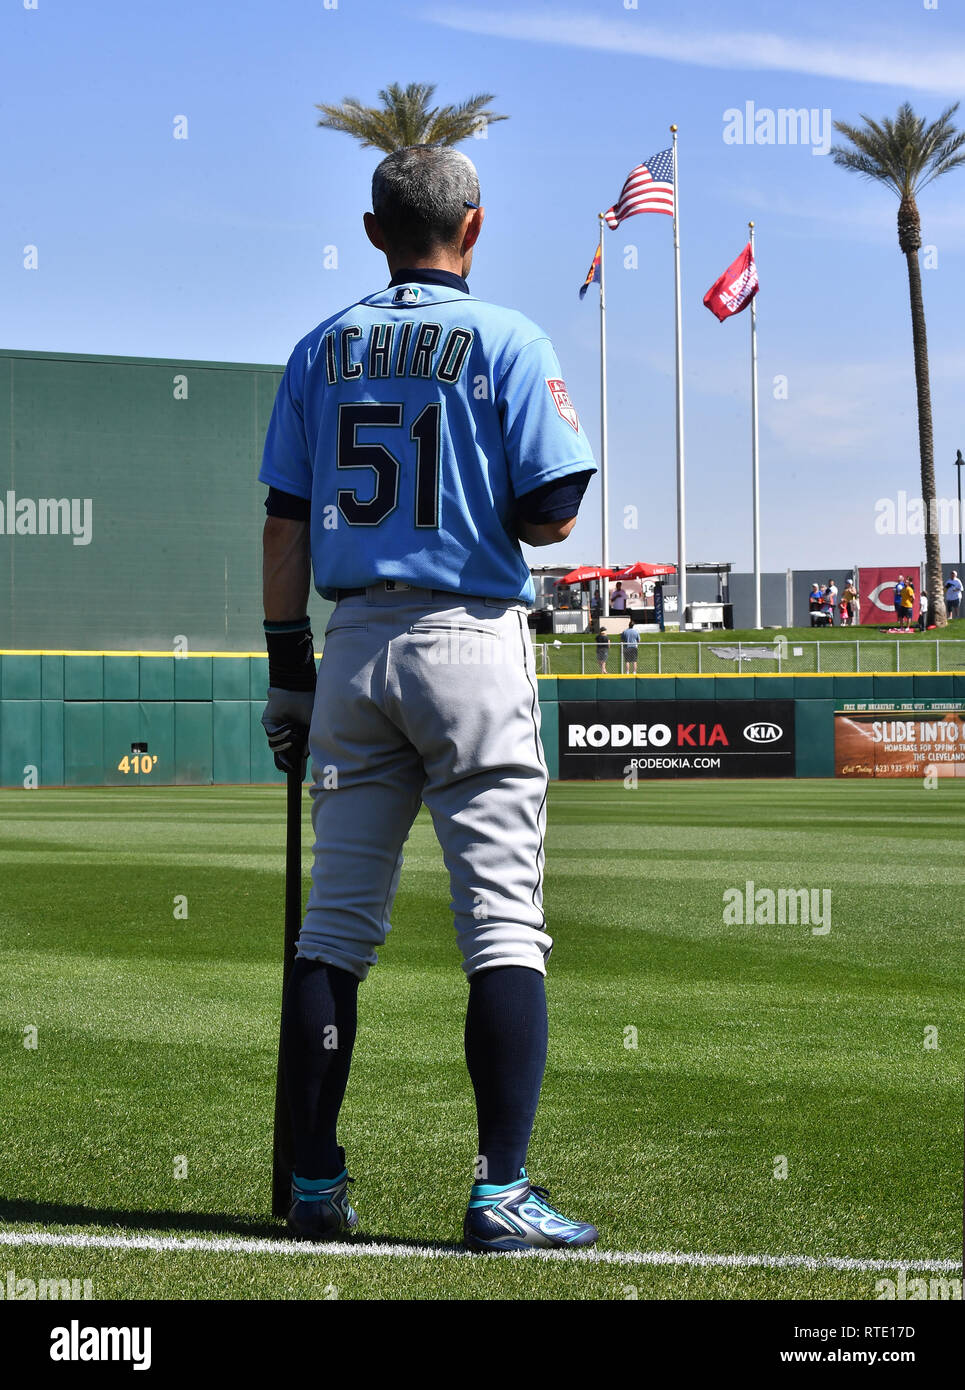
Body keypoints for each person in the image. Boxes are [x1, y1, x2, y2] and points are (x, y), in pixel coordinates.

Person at [258, 144, 599, 1253]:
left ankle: (315, 1185)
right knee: (502, 928)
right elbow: (552, 513)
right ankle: (499, 1191)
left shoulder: (322, 345)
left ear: (372, 232)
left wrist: (285, 670)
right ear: (476, 226)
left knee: (334, 930)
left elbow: (283, 524)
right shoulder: (507, 337)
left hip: (351, 645)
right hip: (469, 642)